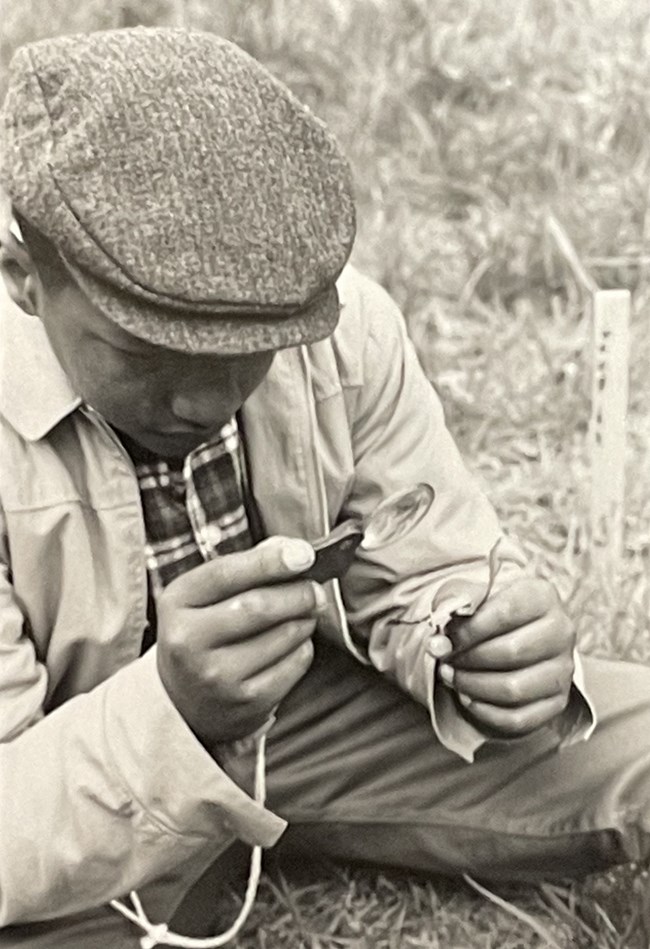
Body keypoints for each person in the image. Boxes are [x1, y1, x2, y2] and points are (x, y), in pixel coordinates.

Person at [0, 26, 649, 949]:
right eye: (144, 353)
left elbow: (436, 567)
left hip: (301, 725)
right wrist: (175, 712)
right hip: (56, 777)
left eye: (247, 353)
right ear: (24, 278)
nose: (204, 398)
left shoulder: (343, 329)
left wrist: (488, 644)